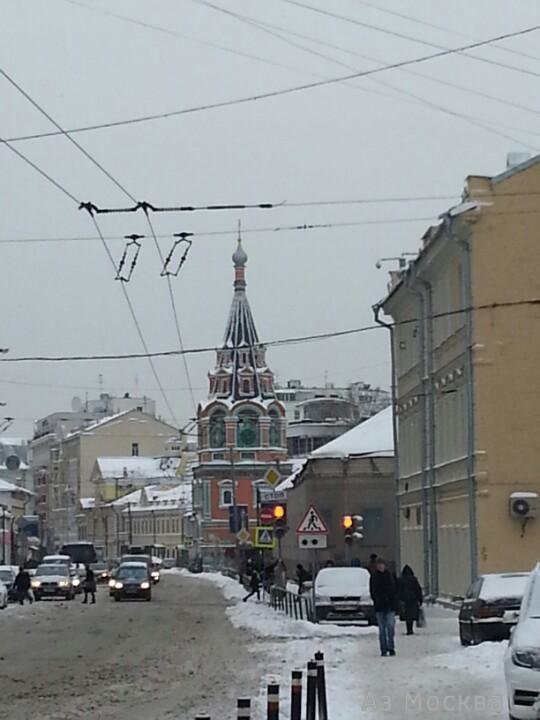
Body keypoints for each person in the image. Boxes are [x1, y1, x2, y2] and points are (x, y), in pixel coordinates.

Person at [369, 557, 398, 657]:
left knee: (390, 627)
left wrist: (393, 601)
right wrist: (377, 600)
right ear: (376, 566)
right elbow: (372, 591)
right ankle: (383, 649)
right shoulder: (374, 577)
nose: (380, 566)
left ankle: (391, 647)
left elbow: (394, 590)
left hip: (390, 606)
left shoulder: (390, 576)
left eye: (382, 564)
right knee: (382, 629)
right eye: (379, 565)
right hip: (379, 607)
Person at [398, 565, 423, 635]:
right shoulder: (414, 579)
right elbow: (418, 590)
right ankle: (410, 629)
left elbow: (398, 590)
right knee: (411, 615)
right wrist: (420, 599)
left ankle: (408, 629)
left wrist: (398, 599)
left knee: (406, 615)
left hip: (404, 599)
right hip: (413, 599)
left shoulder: (400, 579)